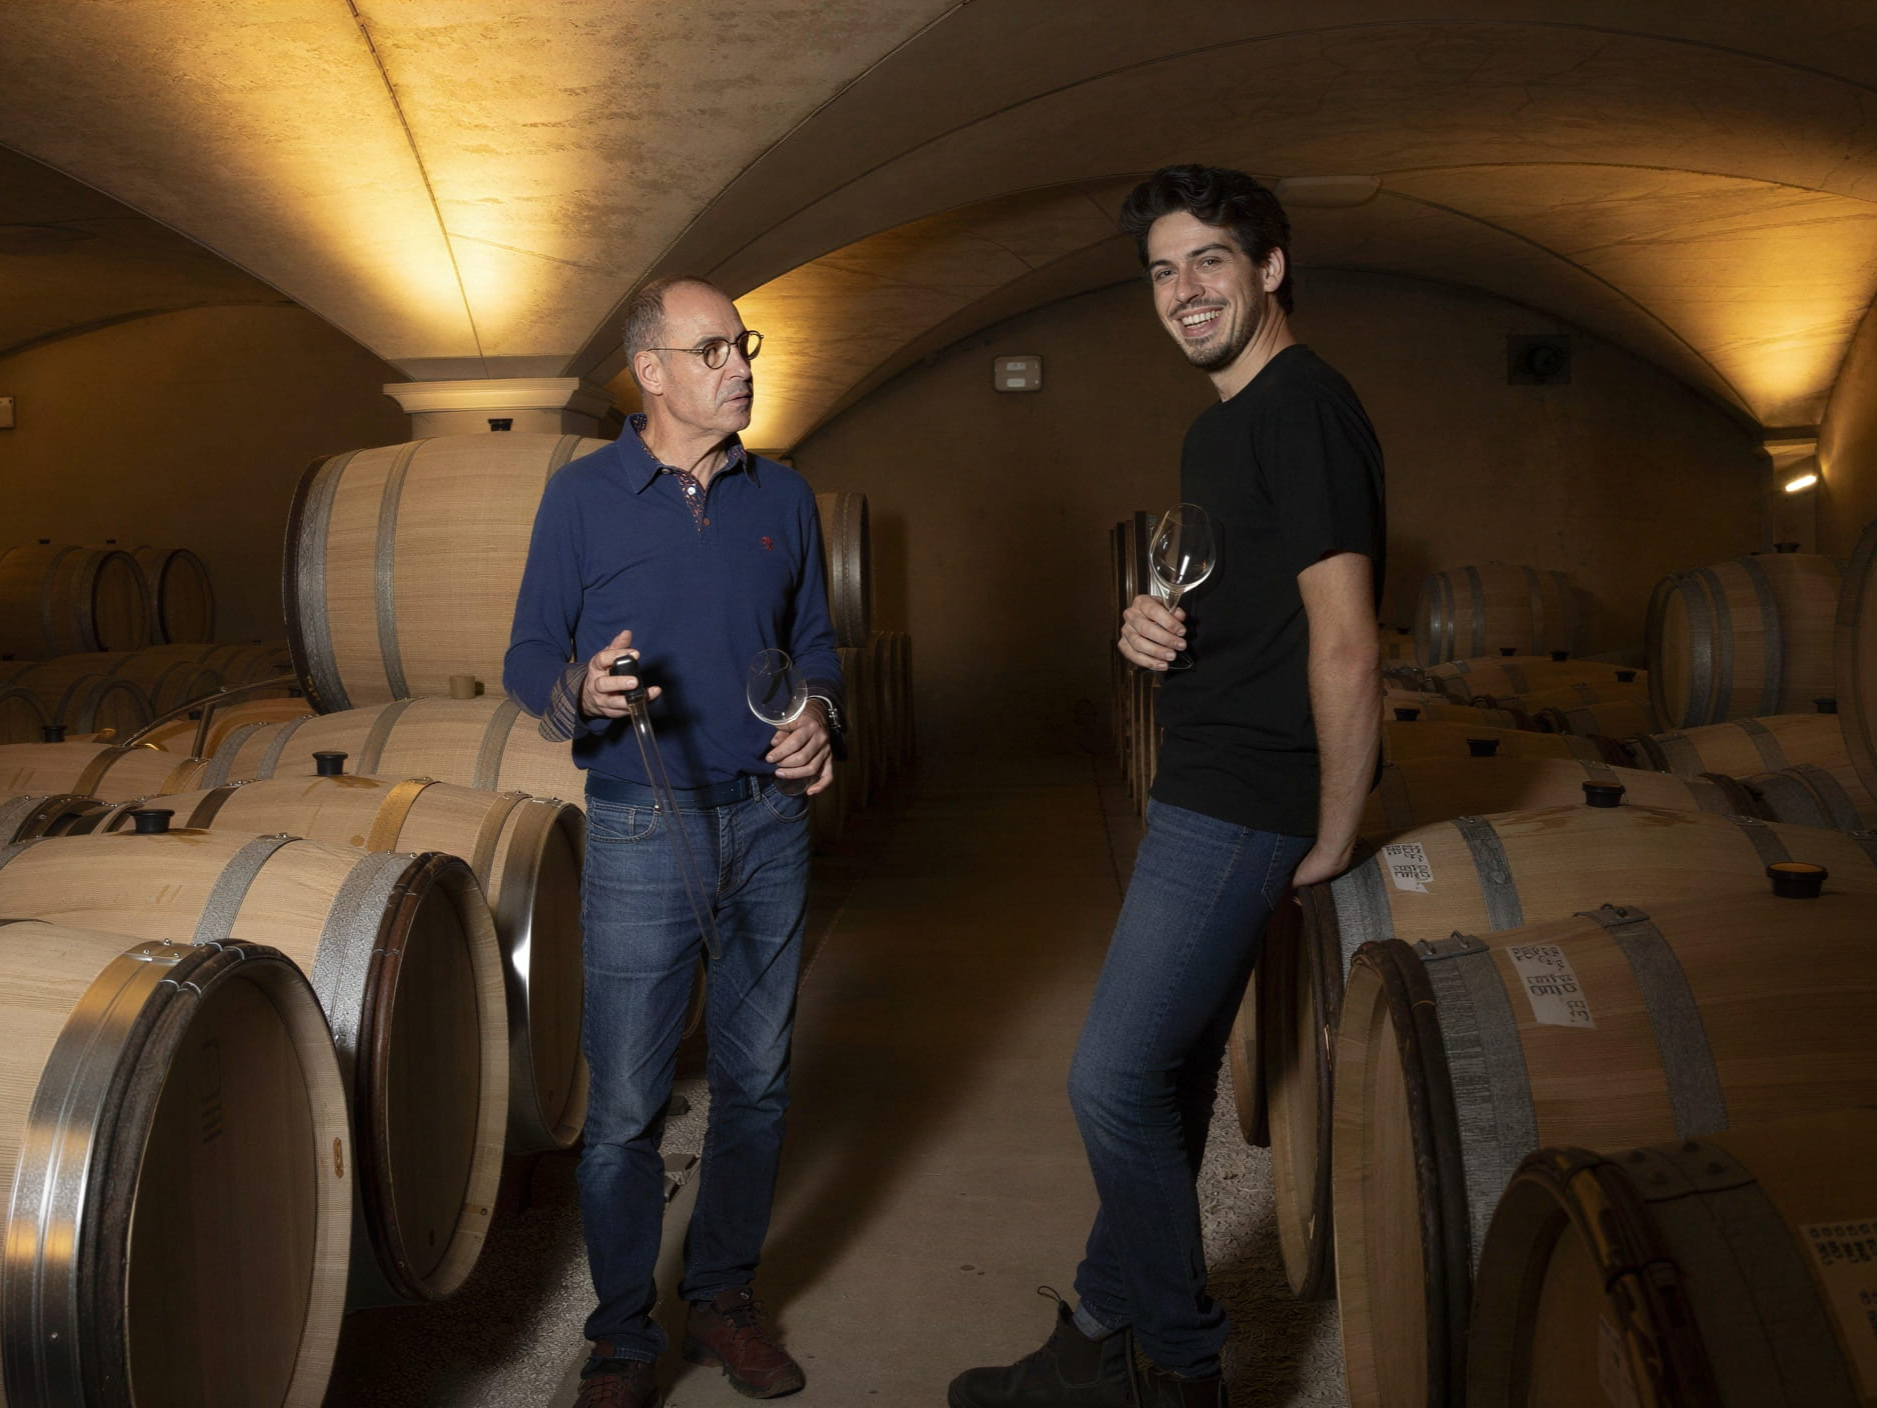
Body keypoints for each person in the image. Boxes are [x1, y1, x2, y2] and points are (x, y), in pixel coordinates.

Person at [950, 165, 1384, 1407]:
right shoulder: (1215, 426)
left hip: (1247, 797)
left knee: (1106, 1077)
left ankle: (1179, 1369)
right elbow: (1224, 601)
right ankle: (1095, 1331)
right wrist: (1151, 623)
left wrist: (1336, 829)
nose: (1181, 290)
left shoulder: (1303, 407)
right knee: (1174, 1073)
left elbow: (1346, 639)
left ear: (1268, 267)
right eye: (1159, 269)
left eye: (1207, 261)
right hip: (1203, 778)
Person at [506, 275, 843, 1407]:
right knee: (624, 1111)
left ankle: (724, 1298)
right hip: (643, 823)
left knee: (755, 1085)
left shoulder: (783, 495)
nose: (739, 365)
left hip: (768, 821)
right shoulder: (582, 498)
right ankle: (619, 1338)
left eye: (740, 346)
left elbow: (816, 650)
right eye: (711, 350)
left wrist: (817, 721)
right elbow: (525, 660)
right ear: (650, 371)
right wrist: (582, 692)